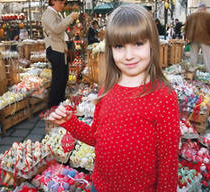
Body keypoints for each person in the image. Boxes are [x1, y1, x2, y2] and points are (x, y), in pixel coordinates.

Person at [48, 4, 180, 192]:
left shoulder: (163, 96)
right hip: (100, 186)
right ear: (110, 50)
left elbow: (168, 161)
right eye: (119, 46)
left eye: (138, 44)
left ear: (152, 44)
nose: (129, 55)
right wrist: (70, 122)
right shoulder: (107, 91)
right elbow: (96, 137)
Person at [41, 0, 79, 108]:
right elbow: (56, 29)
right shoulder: (48, 14)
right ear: (53, 1)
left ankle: (59, 105)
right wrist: (70, 17)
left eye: (64, 3)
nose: (63, 5)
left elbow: (61, 33)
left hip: (61, 50)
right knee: (58, 81)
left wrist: (72, 32)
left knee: (63, 79)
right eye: (61, 3)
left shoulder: (57, 14)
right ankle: (52, 108)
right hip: (54, 50)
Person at [184, 2, 210, 73]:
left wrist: (186, 37)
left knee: (193, 56)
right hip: (205, 38)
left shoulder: (191, 15)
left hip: (193, 38)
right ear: (205, 8)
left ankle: (192, 72)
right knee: (207, 57)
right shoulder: (208, 15)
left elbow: (186, 27)